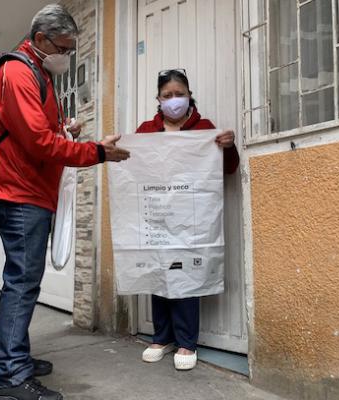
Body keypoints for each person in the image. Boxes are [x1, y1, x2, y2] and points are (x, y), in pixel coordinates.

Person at [0, 5, 130, 400]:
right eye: (63, 48)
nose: (66, 55)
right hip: (21, 194)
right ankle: (9, 375)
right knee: (22, 284)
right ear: (42, 40)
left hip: (30, 191)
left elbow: (36, 132)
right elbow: (38, 143)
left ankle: (11, 356)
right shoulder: (18, 73)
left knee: (23, 282)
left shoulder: (37, 72)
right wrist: (94, 152)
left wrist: (65, 129)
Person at [136, 69, 239, 370]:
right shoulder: (145, 131)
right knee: (160, 275)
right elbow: (131, 168)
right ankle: (161, 337)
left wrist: (228, 147)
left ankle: (186, 342)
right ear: (158, 99)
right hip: (157, 216)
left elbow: (228, 168)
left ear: (189, 94)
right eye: (167, 95)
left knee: (186, 278)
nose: (173, 100)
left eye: (179, 93)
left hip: (192, 220)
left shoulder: (205, 129)